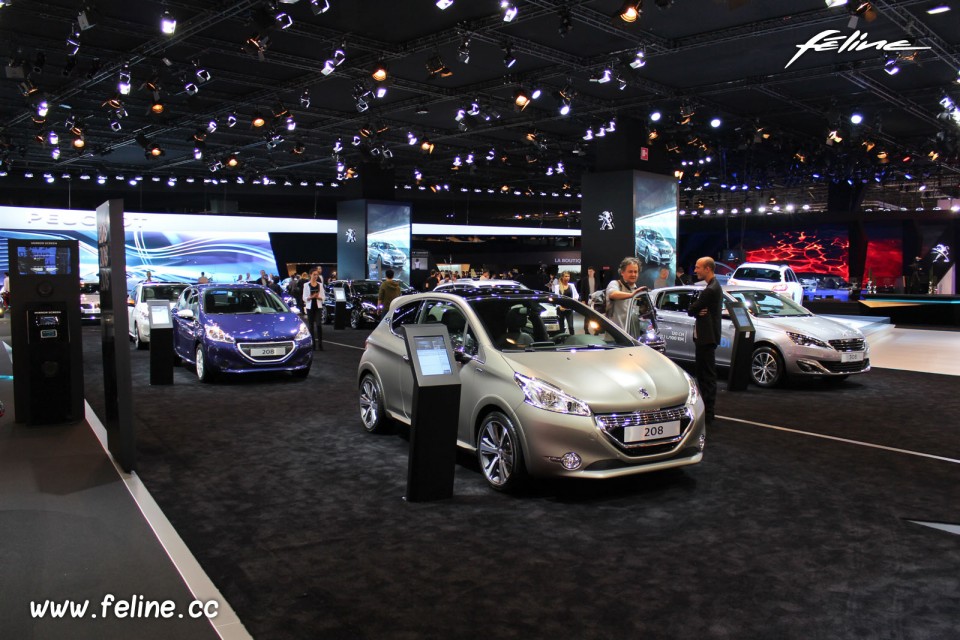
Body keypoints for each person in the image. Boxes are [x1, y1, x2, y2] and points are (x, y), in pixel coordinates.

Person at [688, 256, 722, 425]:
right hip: (707, 336)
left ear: (707, 268)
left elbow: (691, 309)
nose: (695, 271)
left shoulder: (710, 290)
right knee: (704, 375)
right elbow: (696, 309)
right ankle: (707, 411)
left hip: (706, 337)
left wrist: (695, 308)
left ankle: (708, 413)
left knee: (706, 376)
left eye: (698, 267)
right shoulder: (713, 287)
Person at [604, 257, 648, 329]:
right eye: (630, 271)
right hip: (614, 336)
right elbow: (612, 294)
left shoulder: (636, 289)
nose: (633, 274)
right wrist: (632, 295)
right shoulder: (614, 284)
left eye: (635, 272)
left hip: (630, 336)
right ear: (622, 272)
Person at [550, 271, 579, 335]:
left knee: (571, 327)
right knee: (561, 328)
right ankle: (562, 341)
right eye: (566, 276)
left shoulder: (572, 286)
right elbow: (556, 298)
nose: (567, 278)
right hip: (561, 309)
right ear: (562, 277)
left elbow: (576, 295)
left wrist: (575, 299)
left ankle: (573, 340)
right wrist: (559, 306)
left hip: (569, 309)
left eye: (568, 276)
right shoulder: (558, 287)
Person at [302, 269, 324, 350]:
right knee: (311, 326)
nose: (315, 276)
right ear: (310, 275)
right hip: (310, 307)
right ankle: (313, 344)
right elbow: (304, 298)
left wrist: (318, 297)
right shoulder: (306, 285)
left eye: (317, 275)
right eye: (314, 274)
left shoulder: (320, 285)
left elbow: (323, 297)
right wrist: (311, 297)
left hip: (318, 306)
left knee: (318, 324)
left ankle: (320, 344)